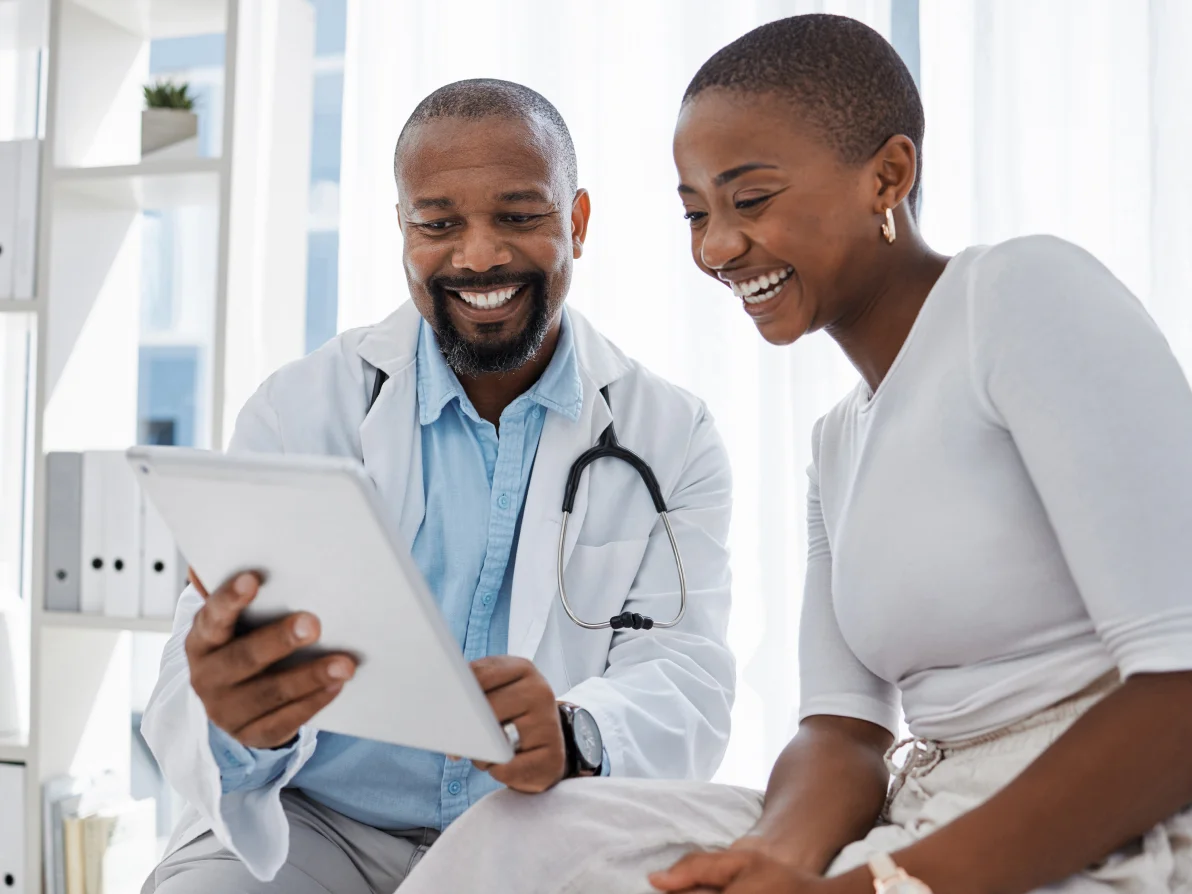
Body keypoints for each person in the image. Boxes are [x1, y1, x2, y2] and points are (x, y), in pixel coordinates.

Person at [394, 15, 1192, 894]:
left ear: (887, 175)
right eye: (696, 212)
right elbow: (844, 732)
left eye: (751, 200)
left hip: (1099, 826)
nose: (717, 247)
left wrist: (873, 887)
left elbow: (1181, 692)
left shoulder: (1022, 295)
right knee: (535, 831)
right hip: (922, 813)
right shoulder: (839, 440)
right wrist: (771, 859)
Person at [139, 78, 738, 893]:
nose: (480, 254)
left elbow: (686, 671)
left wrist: (576, 732)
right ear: (402, 229)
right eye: (439, 222)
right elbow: (194, 664)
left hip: (535, 832)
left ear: (579, 221)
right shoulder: (299, 410)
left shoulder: (670, 433)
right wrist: (238, 723)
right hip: (314, 823)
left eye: (520, 217)